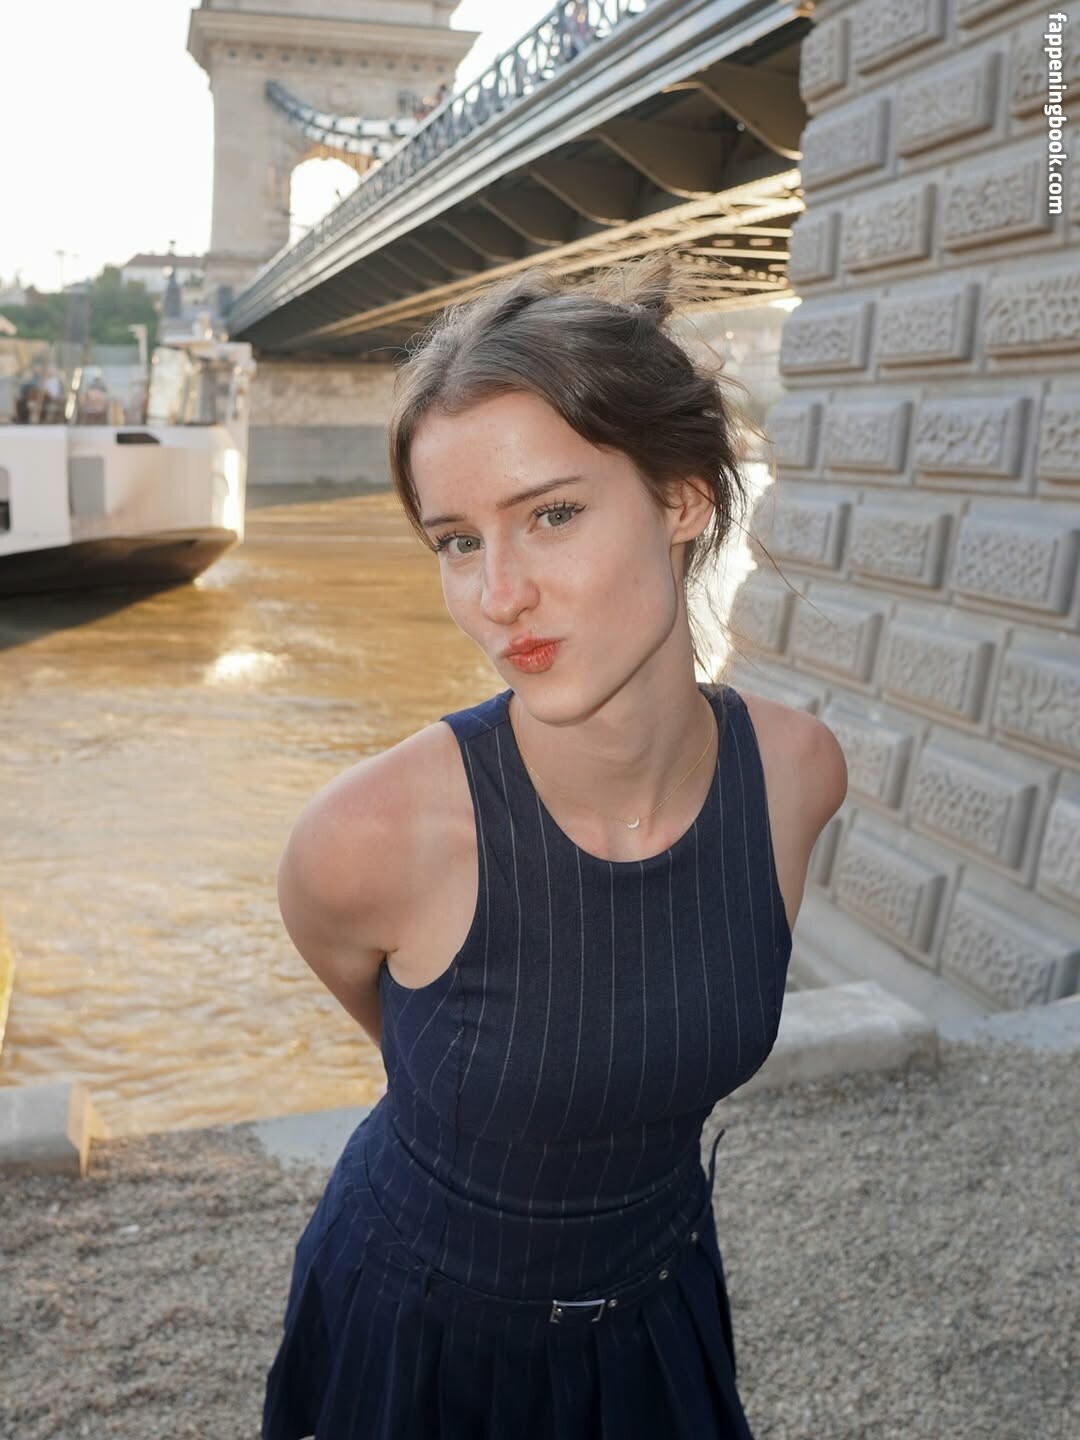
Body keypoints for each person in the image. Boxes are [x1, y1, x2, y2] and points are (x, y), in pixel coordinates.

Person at [262, 254, 847, 1439]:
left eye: (553, 515)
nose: (499, 595)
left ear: (684, 499)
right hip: (418, 1338)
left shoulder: (796, 776)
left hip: (657, 1318)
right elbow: (404, 1042)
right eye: (456, 541)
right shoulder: (368, 838)